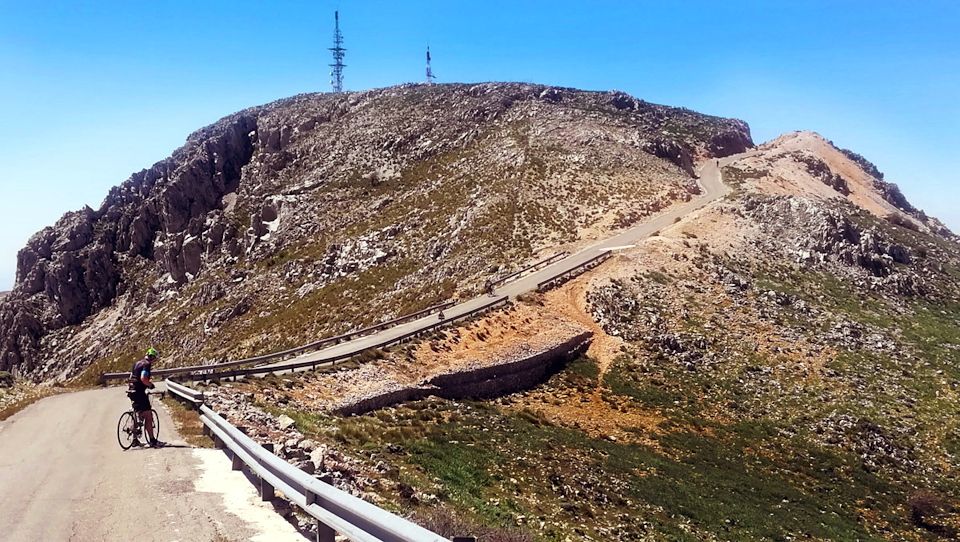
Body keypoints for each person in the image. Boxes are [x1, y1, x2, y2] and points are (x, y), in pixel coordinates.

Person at [127, 348, 165, 447]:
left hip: (131, 390)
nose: (154, 362)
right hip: (139, 392)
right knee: (148, 416)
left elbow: (131, 376)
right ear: (152, 357)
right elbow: (143, 378)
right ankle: (153, 441)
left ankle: (135, 439)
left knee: (137, 413)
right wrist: (150, 385)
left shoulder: (137, 363)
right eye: (154, 359)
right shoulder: (146, 364)